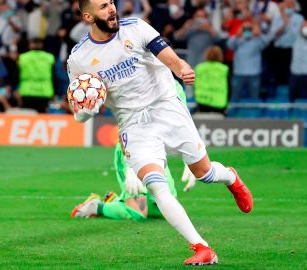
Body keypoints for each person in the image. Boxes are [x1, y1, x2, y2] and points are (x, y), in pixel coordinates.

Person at [66, 0, 253, 265]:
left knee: (205, 174)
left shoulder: (135, 28)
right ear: (88, 16)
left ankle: (230, 177)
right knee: (157, 187)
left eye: (111, 3)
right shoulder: (79, 58)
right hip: (133, 123)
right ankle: (202, 247)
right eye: (103, 6)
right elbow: (78, 111)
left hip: (166, 107)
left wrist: (181, 68)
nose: (111, 9)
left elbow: (164, 53)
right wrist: (88, 111)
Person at [71, 142, 180, 220]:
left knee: (170, 212)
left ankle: (117, 202)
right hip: (130, 149)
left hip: (153, 147)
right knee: (138, 214)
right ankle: (96, 207)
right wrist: (130, 166)